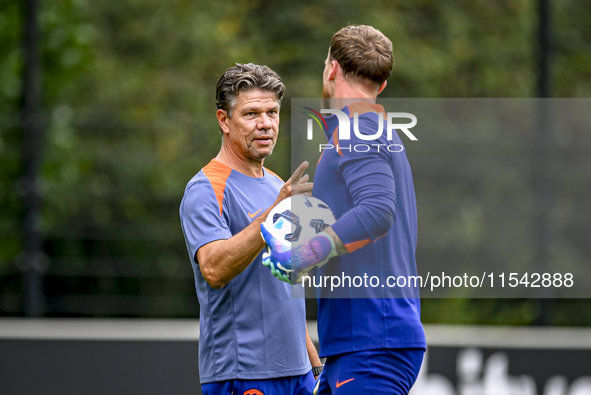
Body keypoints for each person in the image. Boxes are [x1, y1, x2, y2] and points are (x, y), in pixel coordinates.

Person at [261, 26, 426, 394]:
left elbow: (378, 210)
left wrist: (304, 253)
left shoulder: (359, 127)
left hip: (371, 344)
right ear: (380, 85)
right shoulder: (372, 128)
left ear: (331, 69)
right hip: (363, 344)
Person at [179, 63, 322, 395]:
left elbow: (285, 286)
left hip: (298, 373)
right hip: (244, 373)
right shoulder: (205, 189)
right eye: (252, 114)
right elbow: (214, 268)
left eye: (273, 112)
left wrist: (313, 364)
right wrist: (271, 215)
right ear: (224, 121)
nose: (266, 124)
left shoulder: (277, 184)